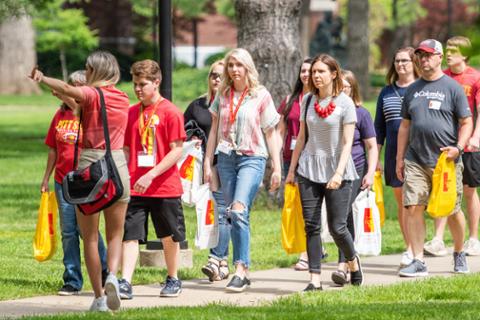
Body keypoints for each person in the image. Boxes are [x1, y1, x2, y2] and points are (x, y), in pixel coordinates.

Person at [30, 51, 131, 312]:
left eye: (87, 69)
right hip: (118, 165)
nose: (85, 74)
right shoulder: (122, 97)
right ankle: (113, 277)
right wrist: (66, 98)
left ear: (95, 71)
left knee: (89, 237)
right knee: (116, 233)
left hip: (91, 166)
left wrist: (42, 78)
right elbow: (88, 110)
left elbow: (68, 88)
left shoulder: (89, 94)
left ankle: (99, 298)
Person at [203, 48, 281, 292]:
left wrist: (276, 167)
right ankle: (240, 269)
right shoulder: (223, 95)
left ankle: (241, 268)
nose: (234, 69)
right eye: (231, 65)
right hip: (226, 158)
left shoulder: (261, 95)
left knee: (237, 211)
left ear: (248, 68)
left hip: (252, 158)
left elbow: (271, 132)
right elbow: (214, 130)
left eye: (239, 65)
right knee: (233, 213)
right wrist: (208, 162)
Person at [286, 54, 363, 291]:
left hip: (337, 169)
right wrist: (292, 171)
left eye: (321, 71)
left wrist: (338, 173)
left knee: (338, 227)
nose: (315, 76)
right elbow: (301, 138)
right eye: (313, 72)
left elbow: (348, 142)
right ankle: (315, 278)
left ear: (333, 74)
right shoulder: (308, 101)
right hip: (309, 168)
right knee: (311, 225)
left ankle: (352, 261)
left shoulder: (345, 103)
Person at [396, 39, 473, 277]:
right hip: (416, 159)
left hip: (446, 162)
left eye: (428, 55)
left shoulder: (452, 88)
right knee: (413, 207)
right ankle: (418, 261)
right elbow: (405, 126)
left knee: (451, 210)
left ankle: (459, 253)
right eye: (420, 55)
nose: (424, 59)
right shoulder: (412, 89)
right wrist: (400, 158)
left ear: (439, 56)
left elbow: (466, 122)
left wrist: (458, 148)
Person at [119, 59, 187, 299]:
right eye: (135, 84)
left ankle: (173, 278)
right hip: (136, 186)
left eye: (143, 84)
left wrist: (151, 174)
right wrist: (124, 172)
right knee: (130, 235)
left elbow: (177, 149)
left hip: (164, 187)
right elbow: (127, 148)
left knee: (168, 235)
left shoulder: (170, 112)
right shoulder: (131, 113)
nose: (137, 89)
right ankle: (125, 282)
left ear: (156, 82)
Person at [41, 71, 109, 296]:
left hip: (85, 181)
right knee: (68, 231)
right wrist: (46, 178)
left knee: (87, 230)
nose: (75, 90)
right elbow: (53, 148)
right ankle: (72, 279)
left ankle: (105, 272)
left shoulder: (91, 114)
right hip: (62, 180)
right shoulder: (60, 116)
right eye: (72, 86)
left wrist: (61, 92)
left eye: (79, 86)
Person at [424, 36, 480, 257]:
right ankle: (438, 239)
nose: (448, 54)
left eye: (454, 50)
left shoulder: (475, 78)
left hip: (469, 145)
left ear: (464, 55)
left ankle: (473, 238)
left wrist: (476, 138)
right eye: (447, 50)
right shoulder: (441, 77)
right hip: (444, 145)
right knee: (443, 188)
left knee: (468, 191)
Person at [184, 60, 231, 282]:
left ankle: (215, 259)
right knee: (213, 211)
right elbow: (184, 129)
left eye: (221, 76)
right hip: (202, 162)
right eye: (213, 74)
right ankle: (222, 263)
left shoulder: (232, 105)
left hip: (226, 163)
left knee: (222, 211)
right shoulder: (198, 105)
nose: (216, 79)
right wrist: (192, 137)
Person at [331, 69, 378, 285]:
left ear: (352, 88)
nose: (341, 90)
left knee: (341, 215)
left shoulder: (361, 113)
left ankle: (343, 264)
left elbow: (371, 146)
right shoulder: (329, 111)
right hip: (332, 169)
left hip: (356, 169)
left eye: (346, 86)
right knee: (343, 216)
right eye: (338, 86)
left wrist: (370, 172)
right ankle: (351, 260)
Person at [374, 46, 419, 267]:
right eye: (397, 61)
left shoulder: (422, 88)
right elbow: (379, 129)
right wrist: (376, 159)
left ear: (414, 63)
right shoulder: (386, 92)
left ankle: (421, 245)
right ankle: (409, 247)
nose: (401, 65)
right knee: (403, 204)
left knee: (416, 204)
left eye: (405, 61)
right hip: (394, 154)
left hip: (419, 153)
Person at [277, 58, 313, 271]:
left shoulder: (319, 99)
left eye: (310, 71)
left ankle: (308, 251)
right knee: (297, 204)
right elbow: (281, 129)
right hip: (291, 158)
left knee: (309, 205)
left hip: (312, 158)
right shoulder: (291, 99)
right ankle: (306, 249)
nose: (306, 75)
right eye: (303, 71)